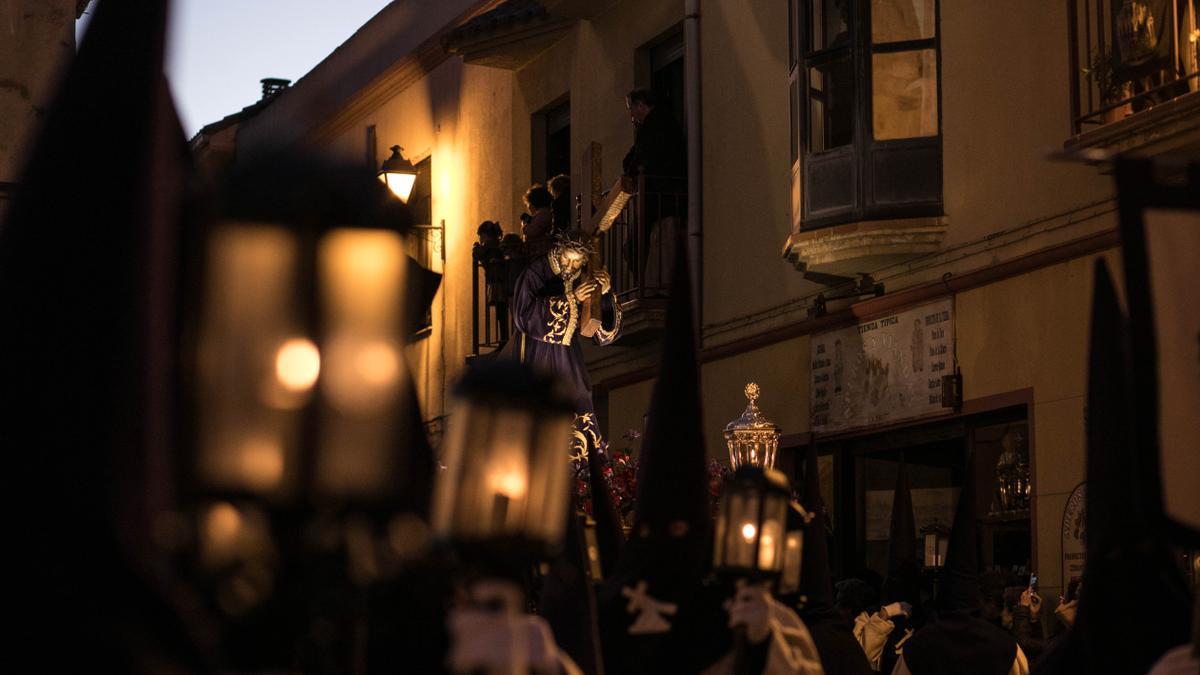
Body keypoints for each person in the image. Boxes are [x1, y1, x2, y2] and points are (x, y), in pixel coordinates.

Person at [506, 231, 621, 461]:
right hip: (536, 351)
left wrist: (605, 294)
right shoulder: (536, 272)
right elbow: (523, 315)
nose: (570, 265)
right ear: (558, 252)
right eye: (566, 258)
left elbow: (604, 335)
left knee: (580, 394)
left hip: (567, 355)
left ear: (585, 260)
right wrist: (571, 299)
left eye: (577, 261)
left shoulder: (584, 276)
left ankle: (584, 469)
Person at [621, 88, 686, 290]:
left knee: (637, 246)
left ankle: (650, 286)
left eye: (631, 109)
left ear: (641, 105)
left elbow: (640, 158)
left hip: (661, 196)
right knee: (637, 246)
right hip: (662, 197)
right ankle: (648, 284)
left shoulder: (654, 126)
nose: (631, 116)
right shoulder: (658, 124)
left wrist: (631, 172)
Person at [472, 220, 509, 342]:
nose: (480, 238)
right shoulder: (497, 244)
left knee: (501, 312)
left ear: (485, 234)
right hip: (500, 280)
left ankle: (504, 340)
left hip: (496, 281)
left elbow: (478, 254)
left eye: (480, 235)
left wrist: (476, 247)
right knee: (501, 311)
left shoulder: (489, 245)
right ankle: (504, 339)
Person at [522, 184, 556, 256]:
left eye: (528, 204)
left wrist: (524, 225)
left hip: (540, 252)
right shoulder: (543, 213)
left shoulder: (543, 214)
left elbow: (533, 231)